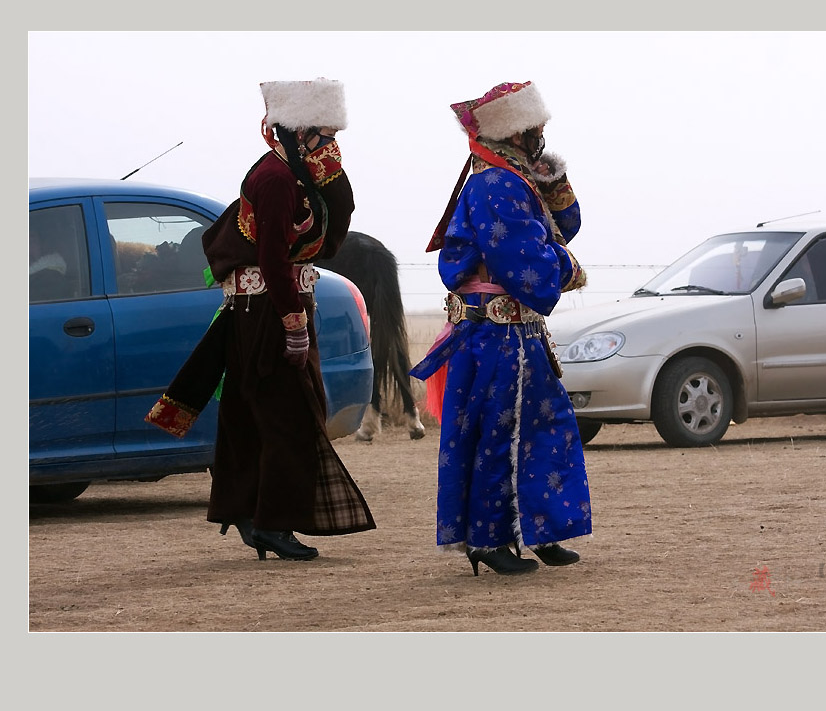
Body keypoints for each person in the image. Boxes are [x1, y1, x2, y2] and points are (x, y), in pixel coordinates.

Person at [146, 77, 376, 561]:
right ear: (297, 133)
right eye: (322, 135)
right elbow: (273, 260)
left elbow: (334, 216)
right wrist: (294, 322)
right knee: (290, 416)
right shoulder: (276, 179)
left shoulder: (294, 174)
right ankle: (273, 522)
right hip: (269, 313)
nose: (330, 146)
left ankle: (247, 511)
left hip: (264, 310)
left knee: (251, 416)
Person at [410, 81, 591, 576]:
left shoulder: (516, 179)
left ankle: (542, 529)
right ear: (517, 132)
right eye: (536, 130)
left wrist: (553, 179)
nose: (542, 137)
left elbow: (563, 226)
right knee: (498, 433)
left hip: (517, 333)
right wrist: (570, 269)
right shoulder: (495, 185)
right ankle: (489, 541)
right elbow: (524, 261)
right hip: (494, 335)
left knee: (546, 428)